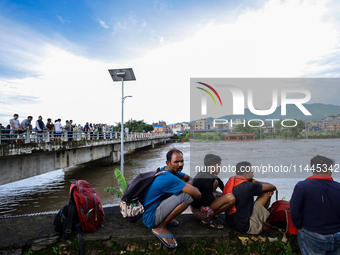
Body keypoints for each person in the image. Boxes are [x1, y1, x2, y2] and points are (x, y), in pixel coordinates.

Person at [142, 149, 201, 248]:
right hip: (150, 217)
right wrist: (187, 186)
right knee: (187, 196)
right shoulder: (169, 178)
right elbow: (198, 194)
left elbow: (189, 178)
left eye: (182, 161)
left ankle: (164, 219)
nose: (180, 164)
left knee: (181, 186)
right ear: (168, 163)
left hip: (150, 210)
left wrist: (187, 184)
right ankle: (160, 227)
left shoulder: (166, 170)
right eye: (176, 162)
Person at [290, 155, 340, 255]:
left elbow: (295, 211)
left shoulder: (302, 186)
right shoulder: (338, 187)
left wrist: (299, 226)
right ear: (329, 169)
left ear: (313, 169)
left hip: (312, 235)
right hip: (337, 235)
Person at [224, 161, 276, 234]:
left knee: (264, 190)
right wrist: (255, 182)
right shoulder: (248, 186)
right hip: (246, 227)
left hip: (232, 223)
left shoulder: (232, 181)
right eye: (251, 173)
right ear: (246, 174)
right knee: (267, 193)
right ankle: (259, 222)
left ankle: (260, 220)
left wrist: (252, 182)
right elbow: (273, 187)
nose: (253, 175)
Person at [191, 154, 235, 230]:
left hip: (196, 207)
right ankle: (207, 219)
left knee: (216, 182)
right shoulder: (207, 179)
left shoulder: (206, 173)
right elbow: (206, 202)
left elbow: (222, 186)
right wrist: (220, 198)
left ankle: (209, 215)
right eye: (219, 165)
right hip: (200, 212)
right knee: (231, 198)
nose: (220, 167)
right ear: (212, 166)